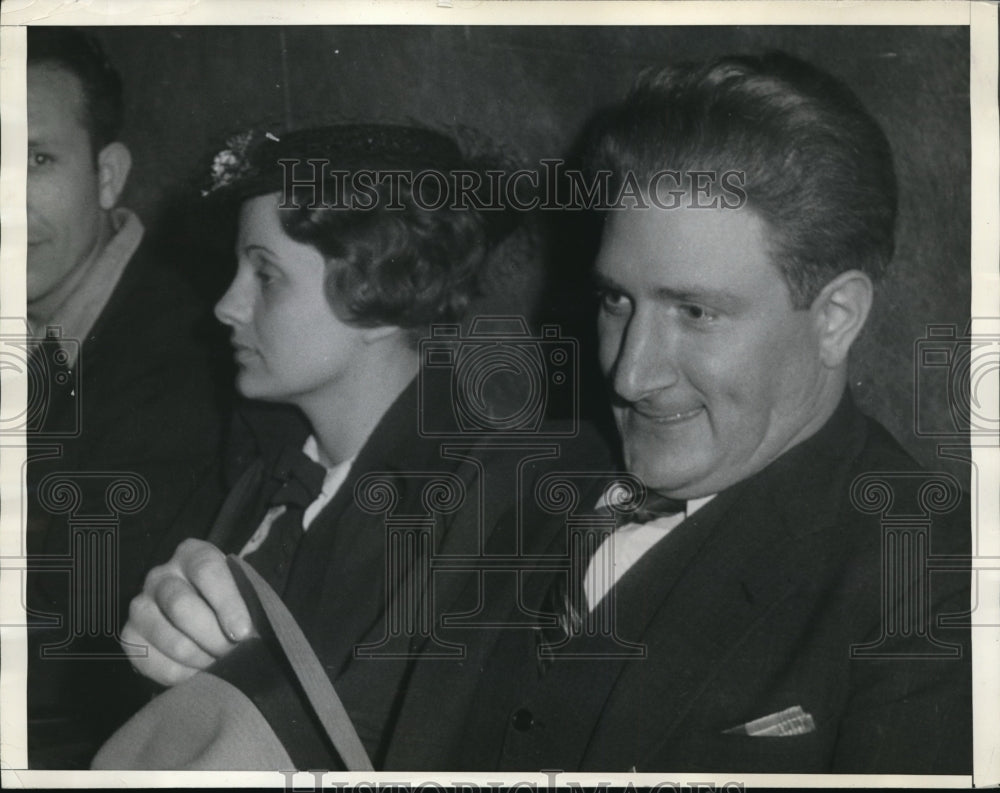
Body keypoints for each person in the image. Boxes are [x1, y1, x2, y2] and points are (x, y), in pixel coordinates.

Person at [382, 52, 972, 773]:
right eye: (615, 300)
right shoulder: (516, 470)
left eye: (694, 311)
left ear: (835, 317)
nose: (629, 373)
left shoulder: (935, 579)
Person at [106, 123, 612, 769]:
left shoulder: (493, 501)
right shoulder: (267, 467)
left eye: (266, 276)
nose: (228, 306)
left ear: (385, 293)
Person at [24, 27, 227, 768]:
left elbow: (77, 653)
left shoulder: (186, 355)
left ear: (108, 176)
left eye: (36, 159)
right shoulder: (34, 323)